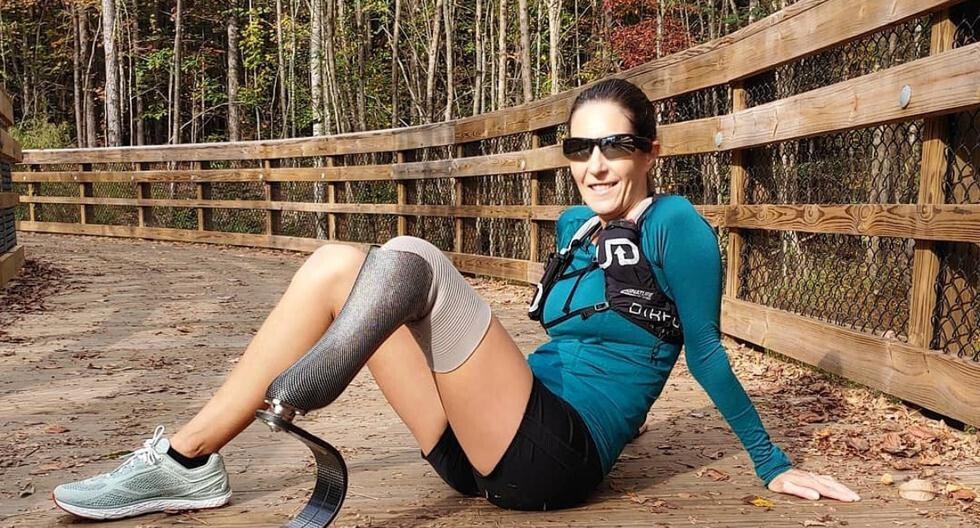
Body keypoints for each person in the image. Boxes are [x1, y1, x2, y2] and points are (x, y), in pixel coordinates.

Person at [53, 78, 860, 521]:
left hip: (553, 459)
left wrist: (773, 465)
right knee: (337, 261)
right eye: (580, 146)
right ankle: (187, 462)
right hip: (477, 451)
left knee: (410, 258)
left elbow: (706, 352)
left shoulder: (676, 225)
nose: (596, 163)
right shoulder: (574, 224)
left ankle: (310, 385)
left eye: (616, 145)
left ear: (651, 150)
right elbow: (573, 336)